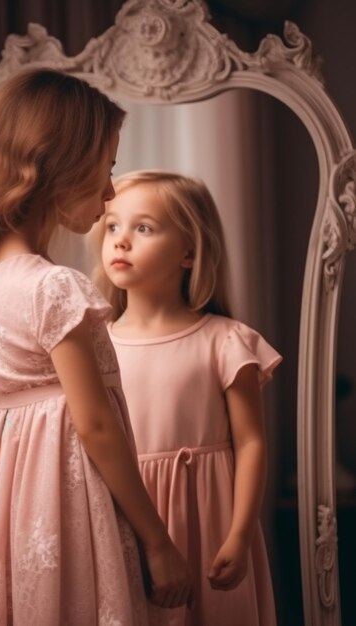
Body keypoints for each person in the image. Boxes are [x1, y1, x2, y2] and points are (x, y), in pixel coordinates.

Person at [0, 70, 193, 625]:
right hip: (69, 498)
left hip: (11, 495)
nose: (107, 193)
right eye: (107, 169)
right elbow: (95, 425)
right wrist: (157, 541)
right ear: (60, 164)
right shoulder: (54, 287)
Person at [92, 169, 281, 626]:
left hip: (212, 521)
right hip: (129, 517)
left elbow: (251, 443)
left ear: (190, 251)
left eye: (144, 227)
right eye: (112, 225)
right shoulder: (96, 346)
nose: (120, 240)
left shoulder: (226, 340)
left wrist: (238, 536)